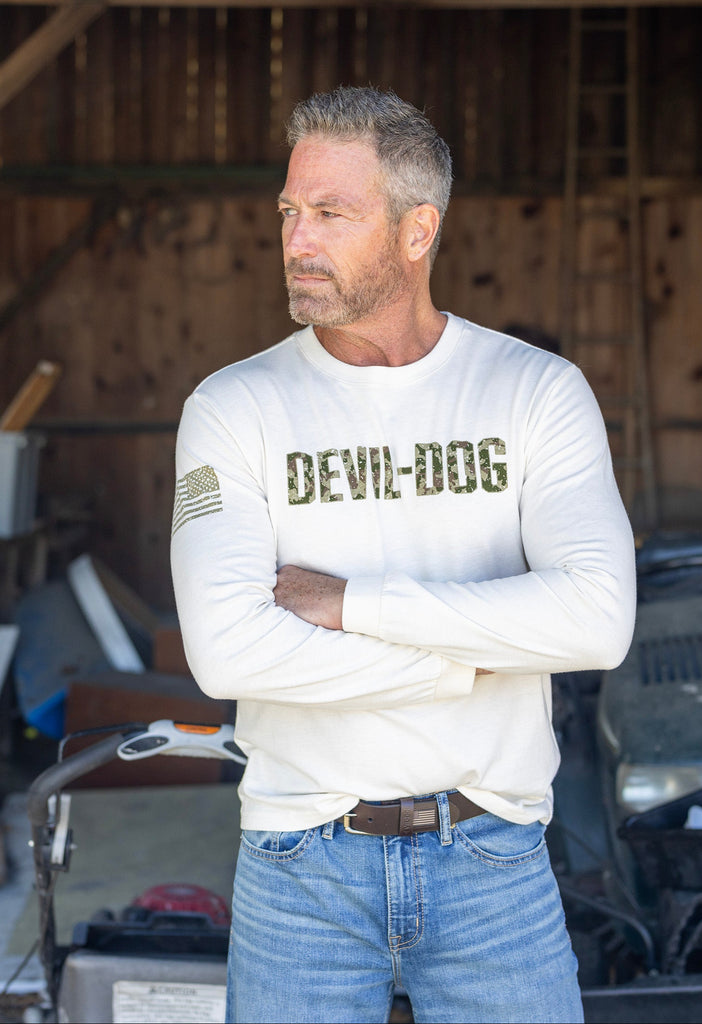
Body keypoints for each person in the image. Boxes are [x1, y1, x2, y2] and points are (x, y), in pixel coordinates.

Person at [170, 85, 636, 1024]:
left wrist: (354, 603)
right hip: (299, 866)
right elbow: (227, 652)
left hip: (494, 857)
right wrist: (476, 661)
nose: (297, 240)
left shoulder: (535, 393)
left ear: (418, 230)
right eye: (289, 212)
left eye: (331, 214)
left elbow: (597, 621)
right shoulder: (231, 408)